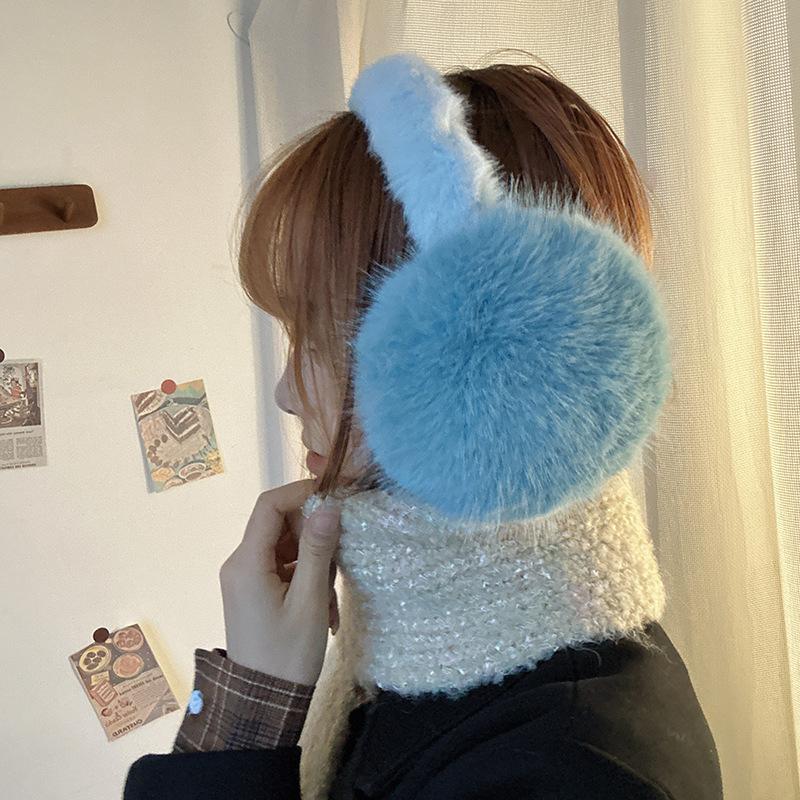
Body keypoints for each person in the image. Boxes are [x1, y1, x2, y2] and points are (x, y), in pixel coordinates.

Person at [123, 50, 724, 799]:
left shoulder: (571, 773)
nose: (285, 393)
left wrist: (250, 717)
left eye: (316, 338)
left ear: (489, 355)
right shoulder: (424, 667)